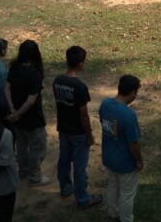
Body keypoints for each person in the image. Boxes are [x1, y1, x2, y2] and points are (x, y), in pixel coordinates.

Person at [53, 46, 102, 207]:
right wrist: (89, 135)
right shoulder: (80, 87)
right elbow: (83, 115)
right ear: (81, 64)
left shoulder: (58, 81)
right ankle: (82, 198)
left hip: (64, 128)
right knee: (80, 166)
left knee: (64, 159)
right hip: (78, 132)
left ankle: (66, 188)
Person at [5, 40, 50, 186]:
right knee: (38, 148)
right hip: (33, 119)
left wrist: (12, 109)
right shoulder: (34, 75)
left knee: (21, 146)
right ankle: (35, 176)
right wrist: (18, 113)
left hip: (17, 118)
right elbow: (31, 101)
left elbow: (7, 88)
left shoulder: (13, 68)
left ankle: (23, 171)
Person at [100, 74, 143, 221]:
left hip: (109, 156)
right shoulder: (129, 115)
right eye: (136, 92)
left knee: (112, 185)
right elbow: (134, 143)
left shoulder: (105, 105)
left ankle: (113, 213)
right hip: (125, 162)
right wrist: (139, 161)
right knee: (127, 193)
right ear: (132, 92)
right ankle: (126, 219)